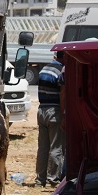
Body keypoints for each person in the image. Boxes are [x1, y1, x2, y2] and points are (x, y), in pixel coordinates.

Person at [35, 53, 65, 187]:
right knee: (56, 147)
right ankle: (52, 179)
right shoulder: (61, 71)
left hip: (41, 110)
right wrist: (64, 114)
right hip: (54, 111)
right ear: (64, 58)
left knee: (42, 147)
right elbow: (63, 95)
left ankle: (39, 180)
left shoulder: (44, 69)